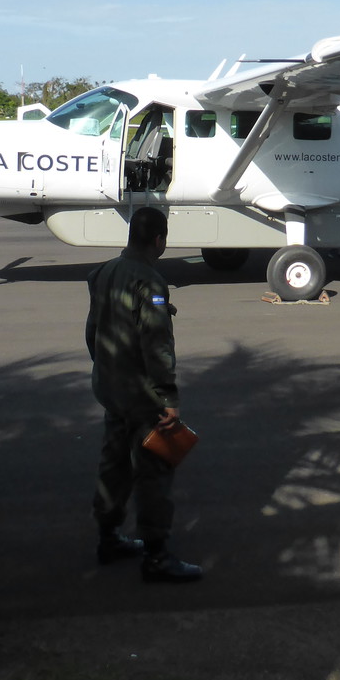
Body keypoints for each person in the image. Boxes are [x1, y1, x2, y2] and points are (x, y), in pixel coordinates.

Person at [84, 206, 202, 583]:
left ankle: (108, 537)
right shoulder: (150, 282)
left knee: (114, 464)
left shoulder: (103, 273)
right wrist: (167, 398)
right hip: (141, 396)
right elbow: (156, 344)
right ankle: (156, 555)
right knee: (153, 471)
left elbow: (92, 332)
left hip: (111, 390)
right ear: (159, 240)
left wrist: (107, 371)